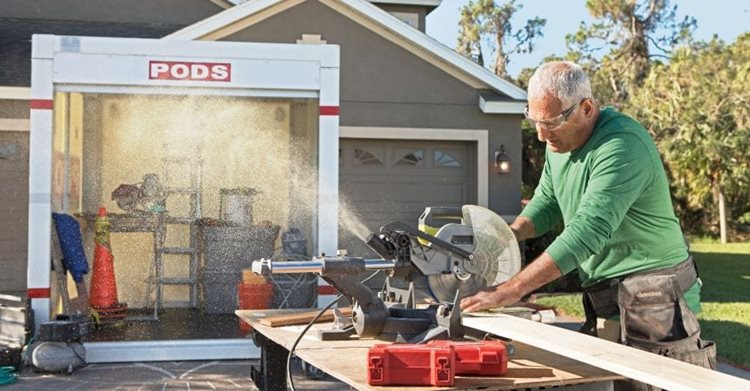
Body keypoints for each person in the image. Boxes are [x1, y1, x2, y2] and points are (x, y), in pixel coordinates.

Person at [460, 61, 716, 381]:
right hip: (608, 296)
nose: (541, 135)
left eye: (551, 123)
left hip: (657, 300)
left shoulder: (621, 145)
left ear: (586, 107)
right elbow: (548, 202)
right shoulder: (559, 145)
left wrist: (508, 291)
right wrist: (507, 236)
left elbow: (587, 231)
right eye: (535, 121)